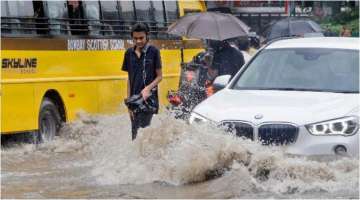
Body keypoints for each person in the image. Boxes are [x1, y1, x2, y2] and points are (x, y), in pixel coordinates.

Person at [122, 23, 163, 140]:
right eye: (135, 38)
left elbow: (160, 76)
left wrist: (148, 88)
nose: (138, 41)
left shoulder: (154, 52)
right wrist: (129, 104)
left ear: (147, 36)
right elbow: (129, 80)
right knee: (135, 134)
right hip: (134, 101)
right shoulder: (128, 54)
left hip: (149, 101)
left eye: (141, 38)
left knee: (143, 135)